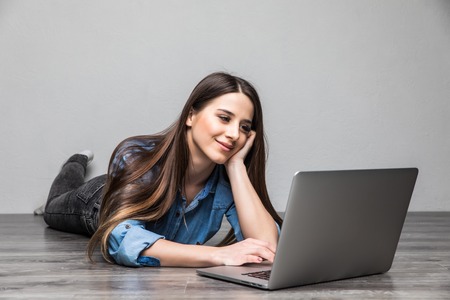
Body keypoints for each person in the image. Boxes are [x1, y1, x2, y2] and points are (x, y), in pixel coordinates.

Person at [41, 72, 283, 267]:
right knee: (52, 208)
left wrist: (236, 165)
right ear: (191, 115)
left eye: (244, 127)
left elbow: (267, 246)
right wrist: (218, 255)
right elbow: (124, 239)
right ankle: (76, 162)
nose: (233, 134)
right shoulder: (134, 155)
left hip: (126, 188)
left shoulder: (228, 182)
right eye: (224, 118)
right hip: (98, 199)